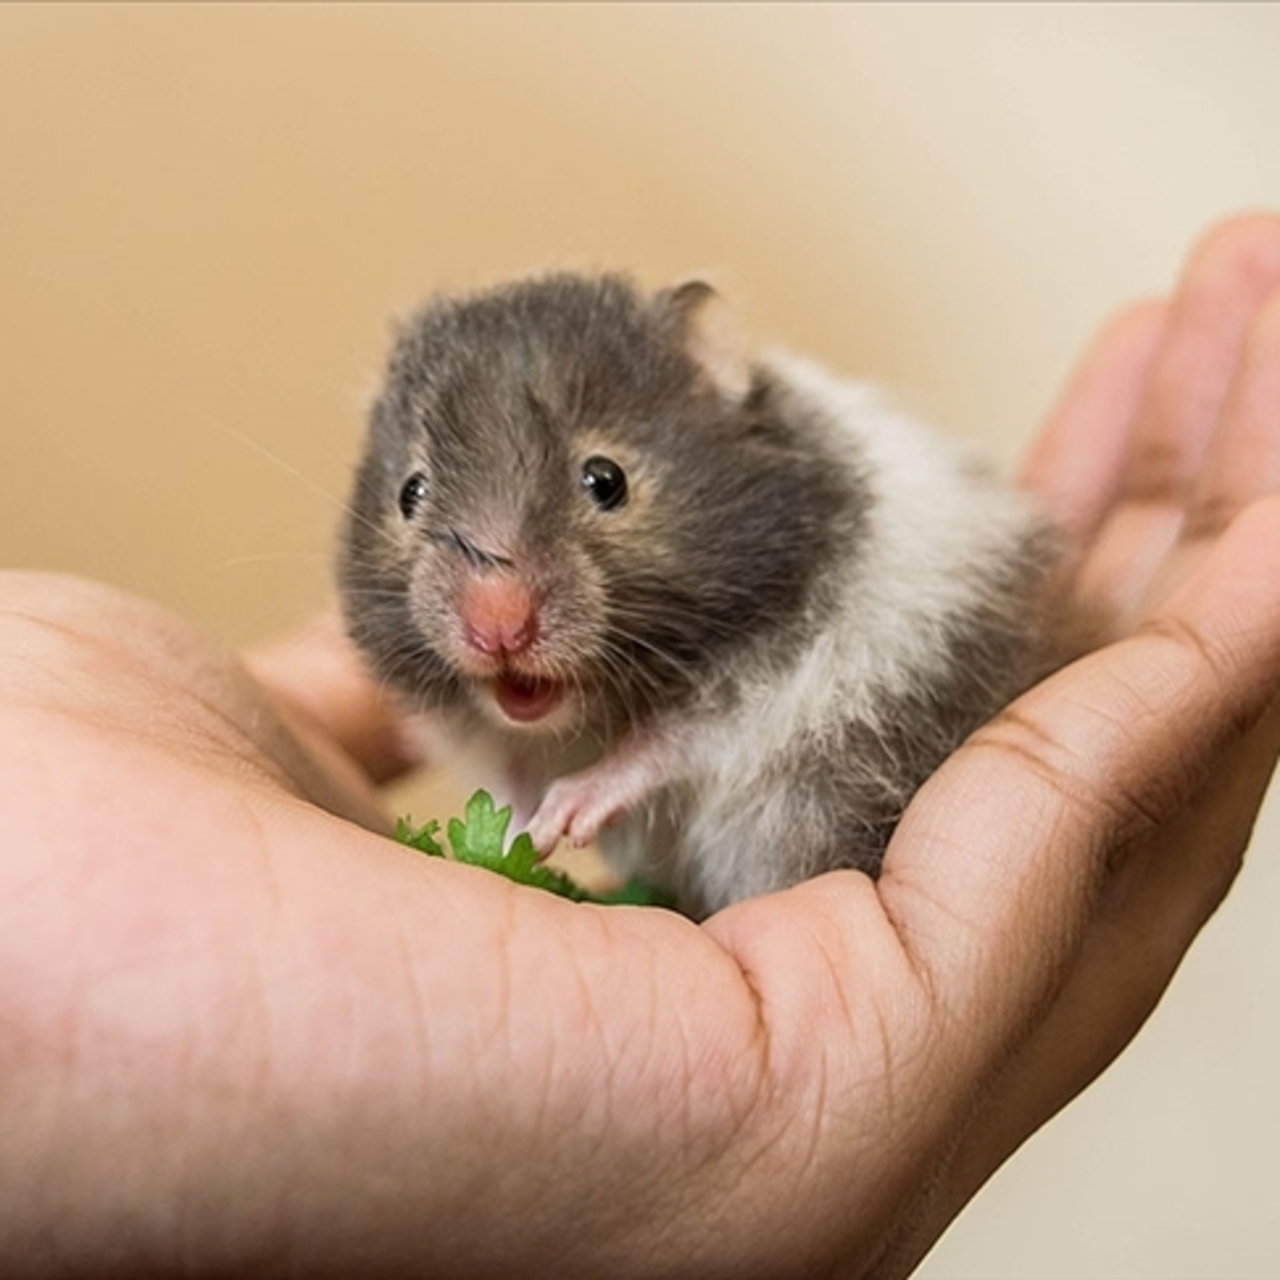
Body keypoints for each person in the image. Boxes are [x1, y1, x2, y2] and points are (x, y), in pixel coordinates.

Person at [3, 213, 1280, 1279]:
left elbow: (757, 664)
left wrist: (632, 768)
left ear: (708, 391)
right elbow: (468, 712)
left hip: (812, 735)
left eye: (602, 486)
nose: (494, 612)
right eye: (417, 506)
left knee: (789, 794)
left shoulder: (807, 513)